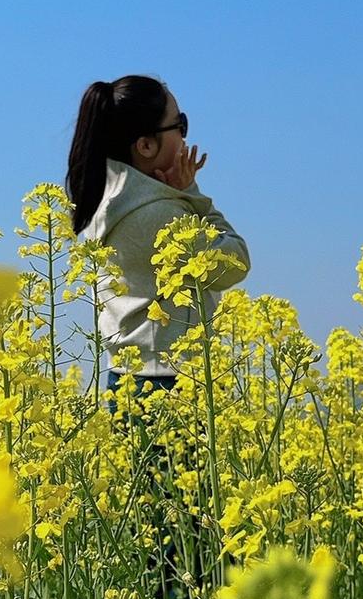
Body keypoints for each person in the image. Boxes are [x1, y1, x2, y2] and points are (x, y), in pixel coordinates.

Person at [65, 75, 251, 412]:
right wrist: (192, 194)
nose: (185, 136)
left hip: (129, 380)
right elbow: (236, 261)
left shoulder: (109, 199)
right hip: (169, 382)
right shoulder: (157, 215)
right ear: (147, 145)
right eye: (179, 125)